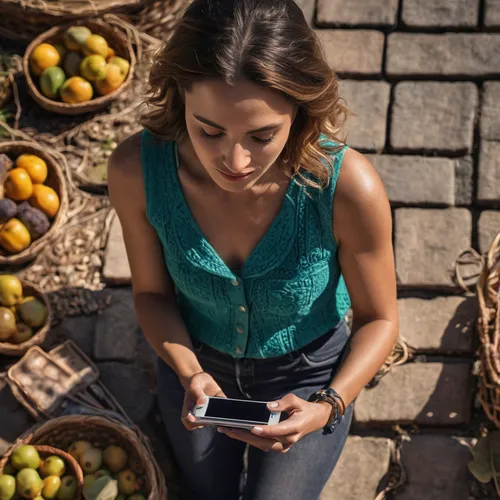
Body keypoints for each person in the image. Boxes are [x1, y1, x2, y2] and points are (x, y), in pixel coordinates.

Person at [108, 0, 398, 498]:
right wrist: (190, 372)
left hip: (309, 374)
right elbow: (152, 296)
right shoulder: (137, 170)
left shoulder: (347, 187)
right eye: (209, 130)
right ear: (179, 98)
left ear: (300, 111)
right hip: (195, 362)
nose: (235, 161)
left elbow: (381, 320)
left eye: (262, 135)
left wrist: (327, 405)